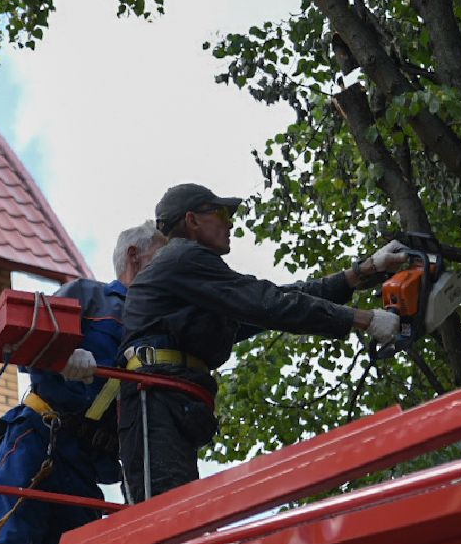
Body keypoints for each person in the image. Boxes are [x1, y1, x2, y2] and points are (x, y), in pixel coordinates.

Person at [118, 183, 409, 502]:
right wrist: (364, 319)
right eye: (221, 213)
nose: (229, 222)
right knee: (163, 518)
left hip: (170, 402)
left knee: (177, 513)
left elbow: (273, 300)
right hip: (155, 403)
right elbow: (267, 302)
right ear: (192, 220)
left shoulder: (193, 284)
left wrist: (362, 271)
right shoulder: (182, 257)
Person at [0, 221, 166, 544]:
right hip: (40, 435)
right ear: (134, 256)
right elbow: (24, 349)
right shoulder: (89, 296)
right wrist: (61, 357)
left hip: (84, 465)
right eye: (164, 256)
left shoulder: (159, 326)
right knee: (6, 543)